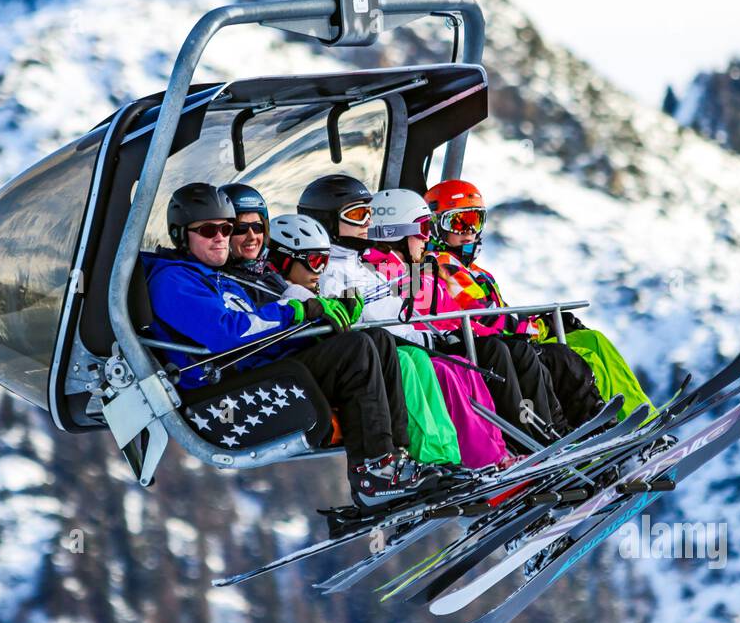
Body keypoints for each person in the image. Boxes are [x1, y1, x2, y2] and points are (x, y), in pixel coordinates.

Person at [138, 182, 437, 507]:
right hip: (224, 389)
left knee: (375, 340)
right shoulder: (174, 281)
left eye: (226, 228)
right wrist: (297, 311)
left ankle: (397, 459)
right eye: (209, 230)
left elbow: (261, 335)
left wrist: (322, 323)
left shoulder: (220, 278)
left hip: (260, 367)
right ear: (181, 235)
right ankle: (373, 472)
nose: (221, 238)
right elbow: (226, 332)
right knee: (356, 351)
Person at [300, 174, 557, 450]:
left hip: (410, 341)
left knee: (470, 366)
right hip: (381, 350)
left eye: (369, 215)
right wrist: (434, 336)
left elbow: (393, 308)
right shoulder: (353, 270)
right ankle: (477, 452)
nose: (428, 238)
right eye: (358, 214)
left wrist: (440, 334)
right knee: (453, 368)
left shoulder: (368, 268)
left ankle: (506, 444)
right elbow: (374, 310)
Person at [424, 178, 654, 423]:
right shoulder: (442, 266)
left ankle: (643, 415)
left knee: (592, 340)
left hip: (510, 340)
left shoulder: (478, 273)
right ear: (436, 226)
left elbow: (503, 314)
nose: (469, 231)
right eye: (458, 222)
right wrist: (541, 327)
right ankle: (612, 425)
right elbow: (484, 316)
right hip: (491, 351)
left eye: (474, 220)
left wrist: (545, 321)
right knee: (576, 358)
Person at [269, 213, 461, 468]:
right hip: (300, 375)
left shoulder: (317, 288)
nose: (320, 271)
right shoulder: (286, 296)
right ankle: (420, 456)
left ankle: (443, 454)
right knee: (396, 358)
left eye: (324, 262)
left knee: (414, 355)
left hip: (329, 364)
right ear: (284, 261)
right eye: (315, 261)